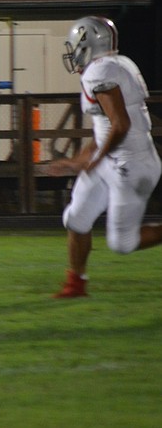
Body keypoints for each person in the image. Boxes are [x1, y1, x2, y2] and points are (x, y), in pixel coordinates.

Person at [49, 16, 162, 297]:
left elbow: (121, 124)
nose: (72, 51)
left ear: (87, 43)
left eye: (75, 44)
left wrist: (96, 160)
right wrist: (81, 160)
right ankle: (76, 283)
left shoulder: (99, 73)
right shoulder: (115, 64)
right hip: (115, 156)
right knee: (76, 218)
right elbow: (106, 128)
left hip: (131, 163)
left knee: (123, 243)